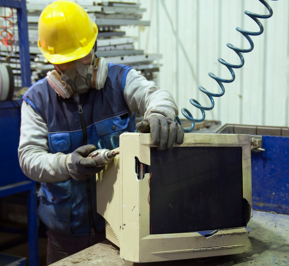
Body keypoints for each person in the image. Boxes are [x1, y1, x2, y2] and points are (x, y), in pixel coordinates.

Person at [17, 1, 184, 264]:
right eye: (67, 62)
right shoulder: (37, 100)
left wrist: (161, 114)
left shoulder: (120, 80)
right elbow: (29, 158)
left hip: (125, 227)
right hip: (65, 236)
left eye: (82, 57)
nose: (77, 70)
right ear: (52, 62)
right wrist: (67, 163)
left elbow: (156, 95)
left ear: (94, 47)